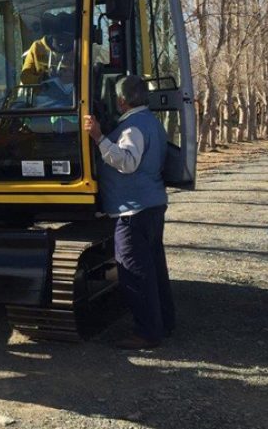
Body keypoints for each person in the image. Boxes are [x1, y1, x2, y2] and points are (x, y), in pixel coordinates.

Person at [83, 75, 175, 350]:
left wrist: (99, 137)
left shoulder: (133, 127)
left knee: (134, 271)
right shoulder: (151, 122)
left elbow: (127, 163)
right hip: (150, 206)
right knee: (154, 269)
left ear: (121, 101)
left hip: (133, 211)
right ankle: (164, 323)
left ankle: (147, 334)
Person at [21, 11, 75, 87]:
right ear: (52, 35)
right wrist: (43, 78)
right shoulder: (38, 47)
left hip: (76, 95)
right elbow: (25, 77)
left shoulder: (80, 48)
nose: (64, 43)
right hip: (43, 95)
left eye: (68, 39)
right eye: (60, 38)